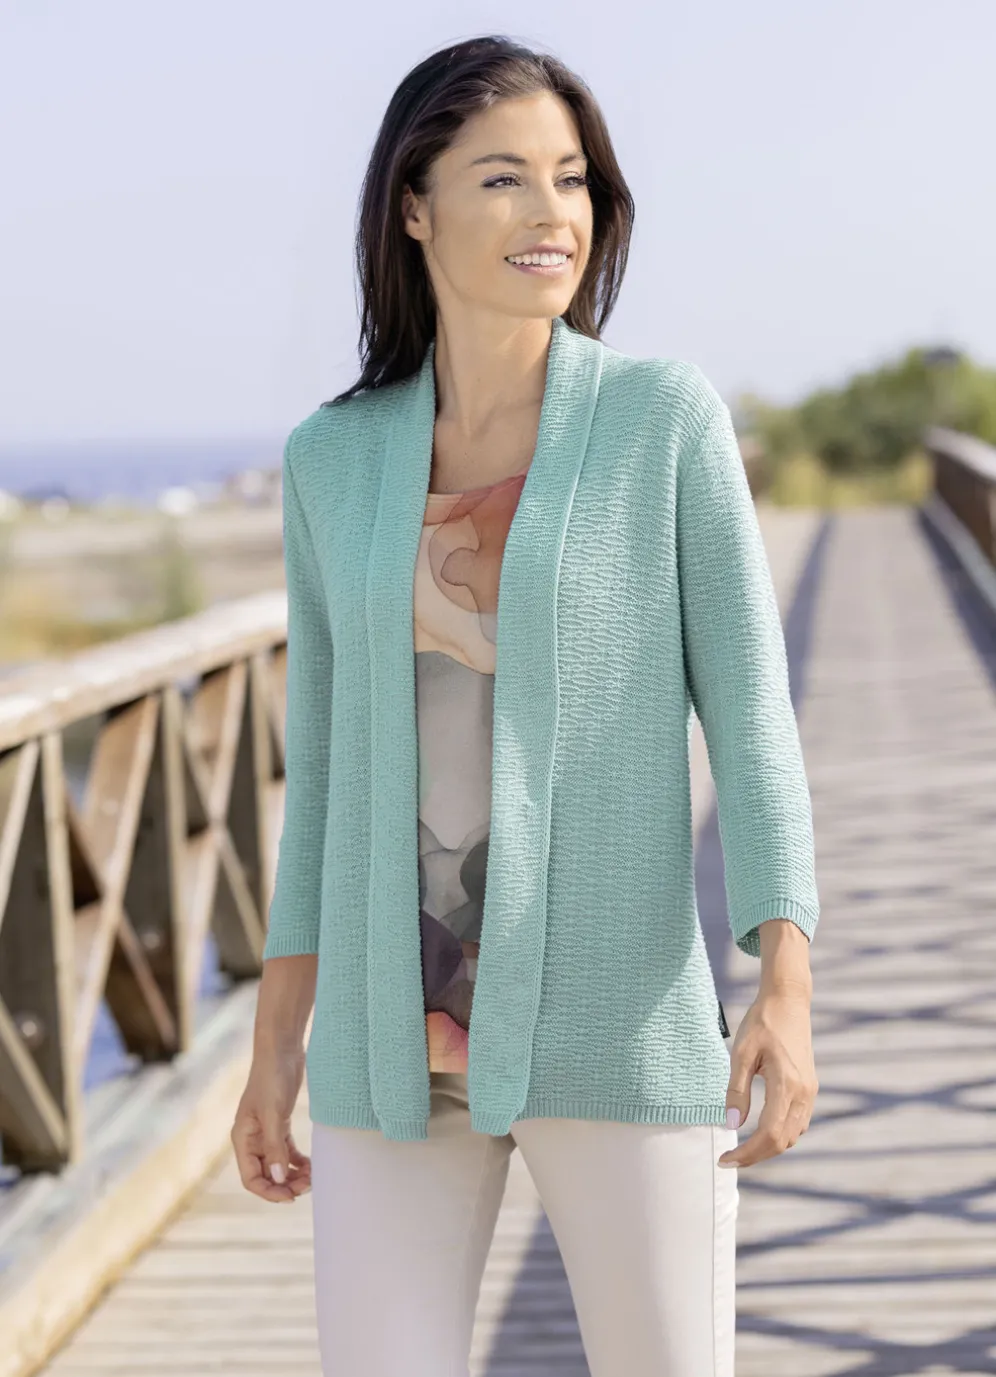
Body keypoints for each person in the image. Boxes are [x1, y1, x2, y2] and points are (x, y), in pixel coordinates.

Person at [231, 33, 820, 1377]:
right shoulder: (332, 459)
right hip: (388, 1039)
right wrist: (275, 1047)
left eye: (572, 178)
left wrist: (784, 981)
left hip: (616, 1020)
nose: (552, 213)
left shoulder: (663, 420)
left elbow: (752, 721)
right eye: (503, 178)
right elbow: (322, 776)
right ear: (414, 206)